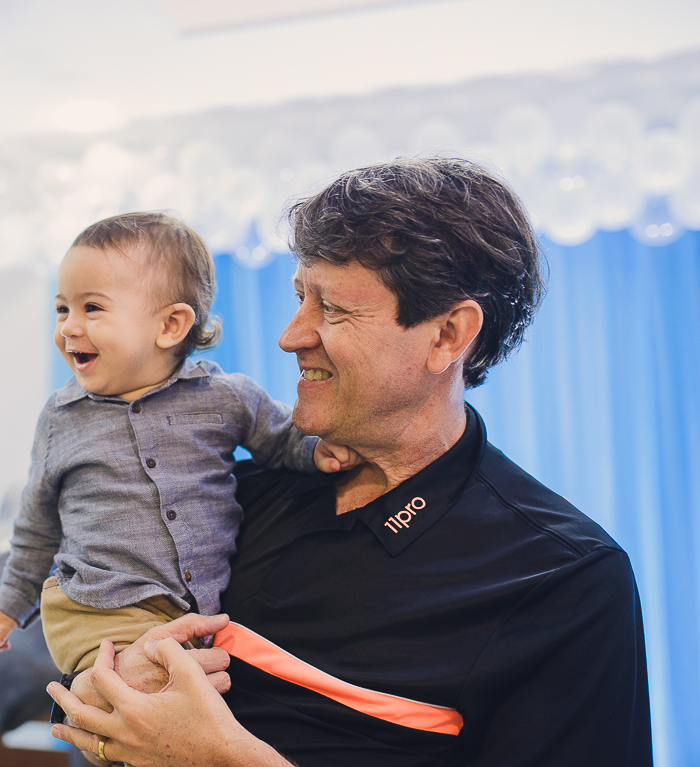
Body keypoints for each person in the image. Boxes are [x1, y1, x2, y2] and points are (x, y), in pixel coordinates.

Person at [47, 159, 652, 766]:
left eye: (331, 308)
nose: (290, 335)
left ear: (447, 335)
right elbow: (91, 623)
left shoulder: (564, 580)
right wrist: (105, 690)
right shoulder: (228, 493)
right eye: (298, 297)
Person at [0, 212, 360, 675]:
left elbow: (281, 438)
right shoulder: (62, 417)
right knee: (144, 691)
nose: (69, 327)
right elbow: (37, 523)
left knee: (195, 698)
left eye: (92, 308)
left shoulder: (225, 398)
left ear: (171, 325)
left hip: (187, 613)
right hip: (92, 608)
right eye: (62, 309)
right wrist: (12, 598)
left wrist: (316, 451)